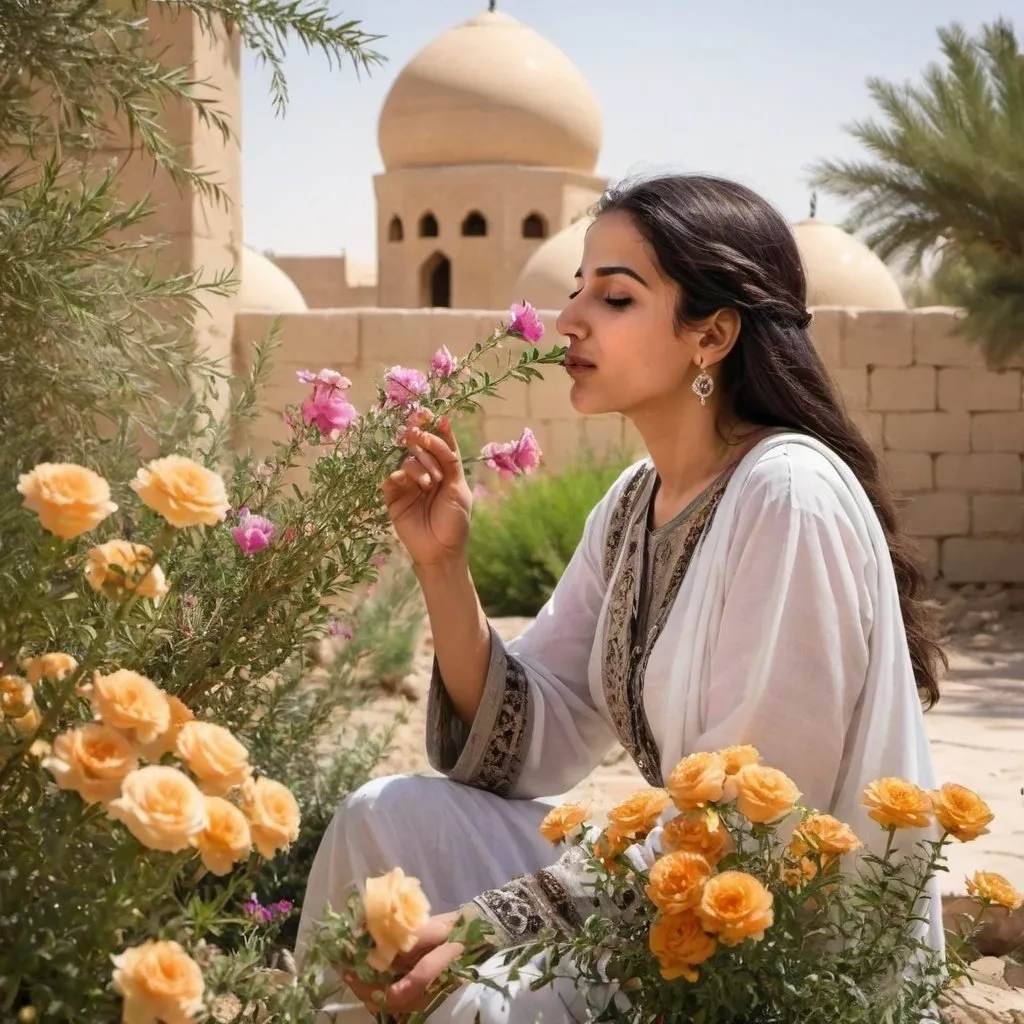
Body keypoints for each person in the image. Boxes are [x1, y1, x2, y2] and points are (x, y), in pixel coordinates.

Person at [296, 174, 946, 1023]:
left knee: (478, 1004)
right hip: (666, 889)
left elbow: (752, 821)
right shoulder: (640, 499)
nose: (569, 321)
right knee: (379, 819)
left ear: (710, 334)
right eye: (577, 293)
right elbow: (538, 738)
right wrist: (443, 568)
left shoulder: (788, 495)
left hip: (777, 954)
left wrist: (497, 922)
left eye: (615, 296)